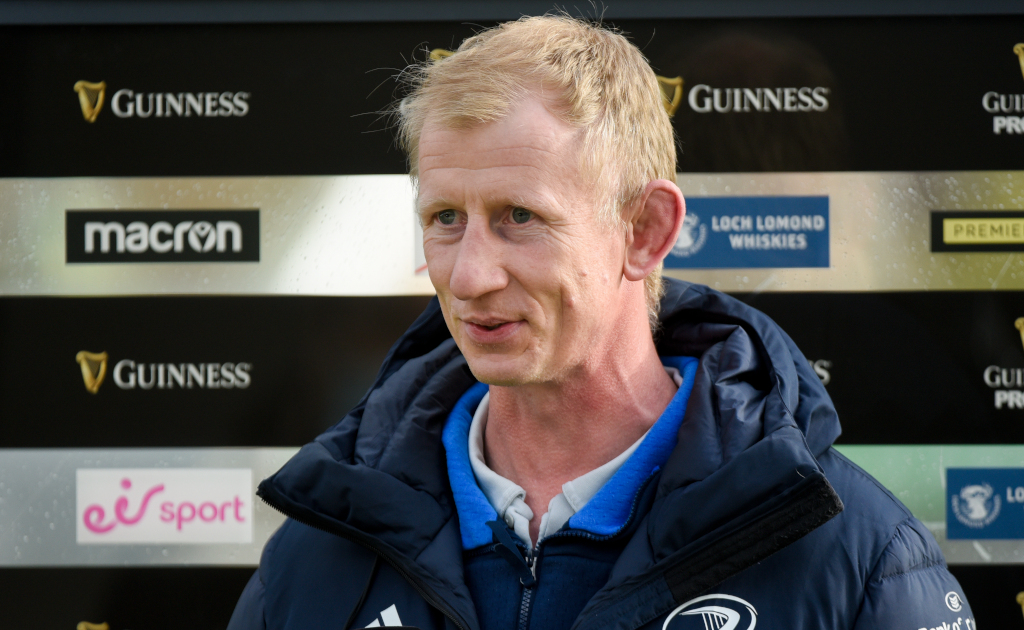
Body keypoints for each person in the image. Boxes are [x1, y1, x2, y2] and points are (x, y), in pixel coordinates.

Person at [228, 15, 973, 630]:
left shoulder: (851, 554)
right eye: (446, 218)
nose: (468, 276)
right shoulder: (316, 556)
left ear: (645, 232)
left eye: (520, 217)